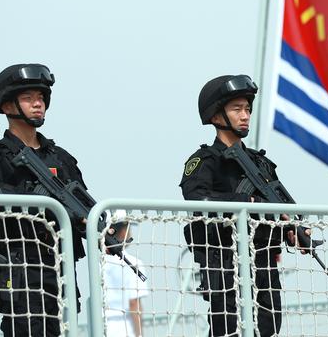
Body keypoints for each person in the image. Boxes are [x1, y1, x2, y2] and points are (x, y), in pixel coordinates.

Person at [179, 74, 307, 337]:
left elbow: (278, 203)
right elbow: (197, 198)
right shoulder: (205, 161)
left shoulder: (261, 164)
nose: (245, 115)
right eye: (237, 109)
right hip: (225, 261)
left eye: (247, 109)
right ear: (216, 116)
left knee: (269, 329)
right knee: (228, 330)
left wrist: (291, 229)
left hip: (263, 263)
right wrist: (245, 203)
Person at [0, 64, 87, 336]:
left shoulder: (61, 158)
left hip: (60, 266)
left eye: (41, 98)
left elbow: (84, 203)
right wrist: (41, 202)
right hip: (20, 266)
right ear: (7, 106)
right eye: (28, 98)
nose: (38, 104)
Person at [103, 210, 149, 337]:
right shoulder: (134, 263)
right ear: (123, 231)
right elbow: (134, 303)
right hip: (125, 329)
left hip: (100, 327)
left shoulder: (98, 262)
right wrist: (139, 334)